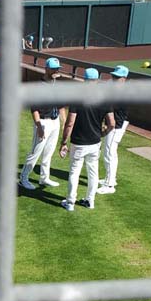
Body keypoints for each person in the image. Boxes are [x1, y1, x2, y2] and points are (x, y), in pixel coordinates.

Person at [59, 68, 115, 211]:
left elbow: (70, 123)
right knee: (93, 172)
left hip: (78, 143)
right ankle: (90, 201)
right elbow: (112, 124)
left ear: (84, 80)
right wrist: (102, 134)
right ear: (97, 80)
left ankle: (70, 203)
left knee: (74, 172)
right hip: (95, 143)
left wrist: (64, 142)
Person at [19, 57, 67, 190]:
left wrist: (64, 124)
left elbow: (61, 106)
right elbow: (34, 109)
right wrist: (39, 127)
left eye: (57, 68)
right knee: (35, 152)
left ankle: (44, 178)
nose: (56, 71)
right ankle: (23, 178)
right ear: (46, 69)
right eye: (53, 68)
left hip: (55, 122)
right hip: (43, 123)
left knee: (49, 152)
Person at [97, 65, 129, 195]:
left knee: (109, 153)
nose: (114, 79)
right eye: (113, 76)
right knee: (111, 153)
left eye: (117, 77)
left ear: (124, 78)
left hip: (117, 125)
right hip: (115, 123)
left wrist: (110, 126)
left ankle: (109, 185)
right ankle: (111, 179)